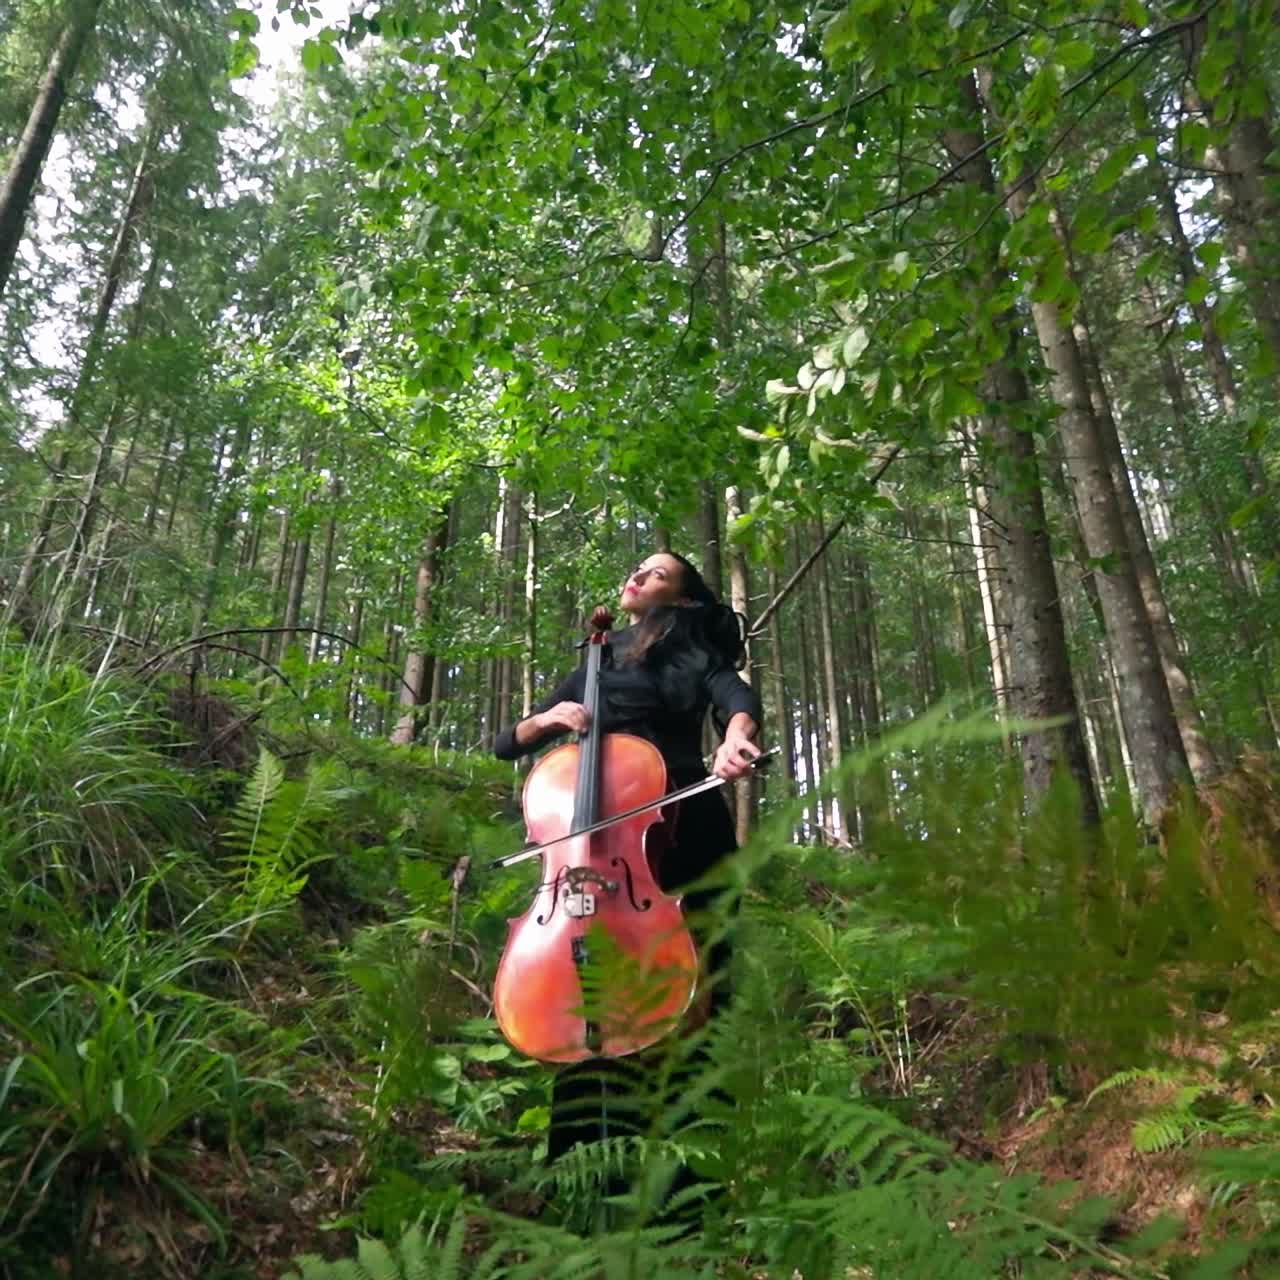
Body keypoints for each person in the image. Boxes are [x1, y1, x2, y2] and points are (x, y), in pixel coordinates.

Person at [493, 550, 764, 1172]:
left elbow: (735, 696)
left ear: (683, 599)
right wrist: (547, 719)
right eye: (636, 569)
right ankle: (583, 1158)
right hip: (595, 848)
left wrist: (735, 735)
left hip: (684, 821)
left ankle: (693, 1152)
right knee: (589, 974)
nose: (637, 577)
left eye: (658, 574)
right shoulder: (598, 657)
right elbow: (506, 743)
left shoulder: (696, 649)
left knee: (699, 971)